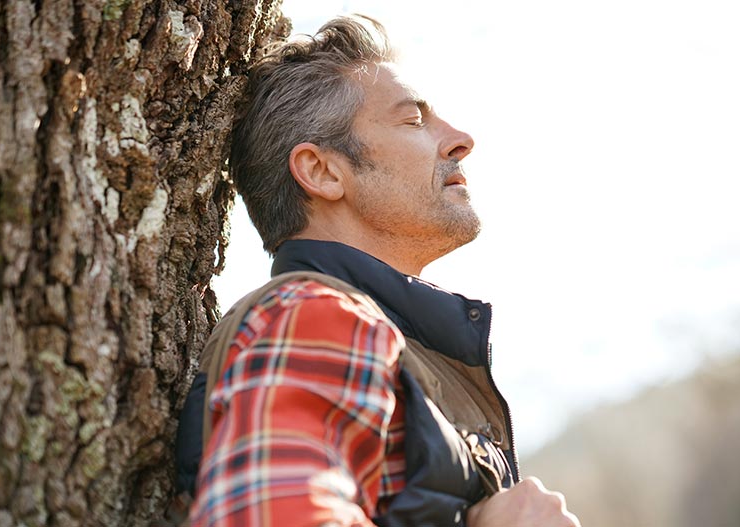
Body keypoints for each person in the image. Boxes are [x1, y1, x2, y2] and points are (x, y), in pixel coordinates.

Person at [174, 14, 581, 527]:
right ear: (322, 172)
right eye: (413, 120)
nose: (461, 139)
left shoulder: (376, 338)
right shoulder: (314, 317)